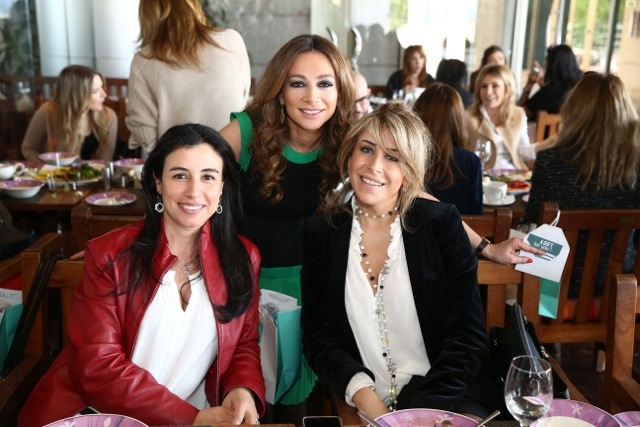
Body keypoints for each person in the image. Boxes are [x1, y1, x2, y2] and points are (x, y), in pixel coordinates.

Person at [19, 124, 265, 427]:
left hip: (195, 415)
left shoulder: (243, 258)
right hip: (98, 416)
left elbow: (244, 344)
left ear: (222, 186)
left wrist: (241, 388)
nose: (194, 191)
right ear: (157, 182)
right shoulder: (111, 255)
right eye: (180, 176)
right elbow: (97, 366)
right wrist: (191, 418)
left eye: (208, 177)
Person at [301, 101, 493, 420]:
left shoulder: (440, 225)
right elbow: (317, 335)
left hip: (446, 397)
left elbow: (467, 338)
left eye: (392, 157)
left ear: (408, 172)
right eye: (366, 149)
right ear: (349, 157)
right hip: (364, 403)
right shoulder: (321, 232)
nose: (374, 166)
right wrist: (365, 397)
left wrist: (416, 416)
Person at [218, 34, 355, 425]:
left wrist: (483, 246)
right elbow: (186, 175)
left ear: (340, 91)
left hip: (308, 289)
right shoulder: (247, 131)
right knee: (242, 405)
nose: (312, 97)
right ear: (279, 91)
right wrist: (136, 241)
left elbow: (409, 191)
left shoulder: (348, 140)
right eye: (298, 83)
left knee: (293, 407)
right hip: (240, 286)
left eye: (325, 83)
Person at [522, 72, 640, 297]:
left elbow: (531, 226)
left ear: (573, 111)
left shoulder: (550, 162)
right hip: (622, 294)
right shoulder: (636, 166)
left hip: (554, 294)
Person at [126, 0, 251, 155]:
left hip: (178, 164)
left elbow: (143, 130)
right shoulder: (231, 42)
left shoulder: (145, 60)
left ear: (147, 15)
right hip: (233, 160)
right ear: (194, 7)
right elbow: (244, 99)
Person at [21, 65, 117, 162]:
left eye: (102, 87)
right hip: (55, 171)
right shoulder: (47, 111)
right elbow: (28, 148)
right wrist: (48, 166)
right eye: (95, 91)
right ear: (76, 94)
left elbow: (105, 161)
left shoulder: (109, 116)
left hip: (96, 171)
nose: (104, 94)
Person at [415, 83, 483, 214]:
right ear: (458, 120)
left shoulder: (407, 157)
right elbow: (477, 215)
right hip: (459, 227)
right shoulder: (471, 161)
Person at [466, 64, 545, 171]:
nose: (488, 92)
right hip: (482, 174)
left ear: (506, 88)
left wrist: (547, 144)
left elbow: (523, 151)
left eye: (495, 86)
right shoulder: (468, 117)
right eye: (484, 86)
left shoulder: (518, 114)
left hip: (514, 174)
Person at [518, 44, 582, 122]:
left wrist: (529, 84)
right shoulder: (578, 88)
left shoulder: (549, 93)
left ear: (552, 65)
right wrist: (543, 85)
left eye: (547, 60)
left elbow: (519, 115)